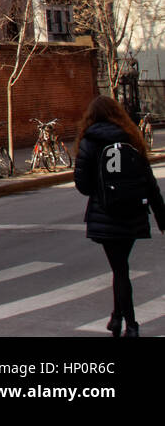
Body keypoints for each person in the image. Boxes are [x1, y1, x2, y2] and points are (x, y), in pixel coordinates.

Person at [73, 94, 165, 337]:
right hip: (133, 213)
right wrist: (161, 216)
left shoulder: (89, 140)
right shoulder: (132, 137)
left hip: (106, 215)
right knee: (120, 268)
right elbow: (149, 181)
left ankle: (131, 325)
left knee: (120, 270)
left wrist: (101, 188)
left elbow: (82, 185)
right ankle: (116, 318)